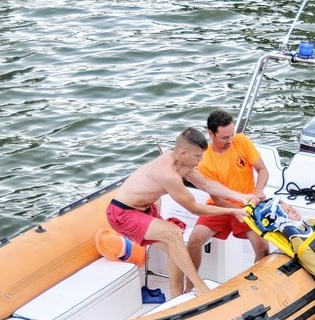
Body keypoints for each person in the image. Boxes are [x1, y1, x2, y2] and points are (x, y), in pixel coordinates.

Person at [107, 127, 257, 298]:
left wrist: (242, 197)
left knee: (176, 249)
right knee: (174, 233)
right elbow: (194, 208)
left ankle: (175, 297)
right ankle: (201, 287)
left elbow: (207, 185)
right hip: (123, 213)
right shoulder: (168, 174)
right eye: (198, 156)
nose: (200, 161)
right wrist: (231, 211)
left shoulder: (182, 162)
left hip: (144, 210)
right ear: (184, 152)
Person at [184, 110, 271, 289]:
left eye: (231, 135)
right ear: (211, 134)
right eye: (224, 138)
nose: (230, 141)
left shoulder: (242, 141)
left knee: (263, 248)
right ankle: (191, 287)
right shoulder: (205, 160)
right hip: (222, 207)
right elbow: (216, 198)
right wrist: (235, 210)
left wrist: (257, 191)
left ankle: (254, 286)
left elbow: (263, 170)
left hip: (250, 205)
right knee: (193, 241)